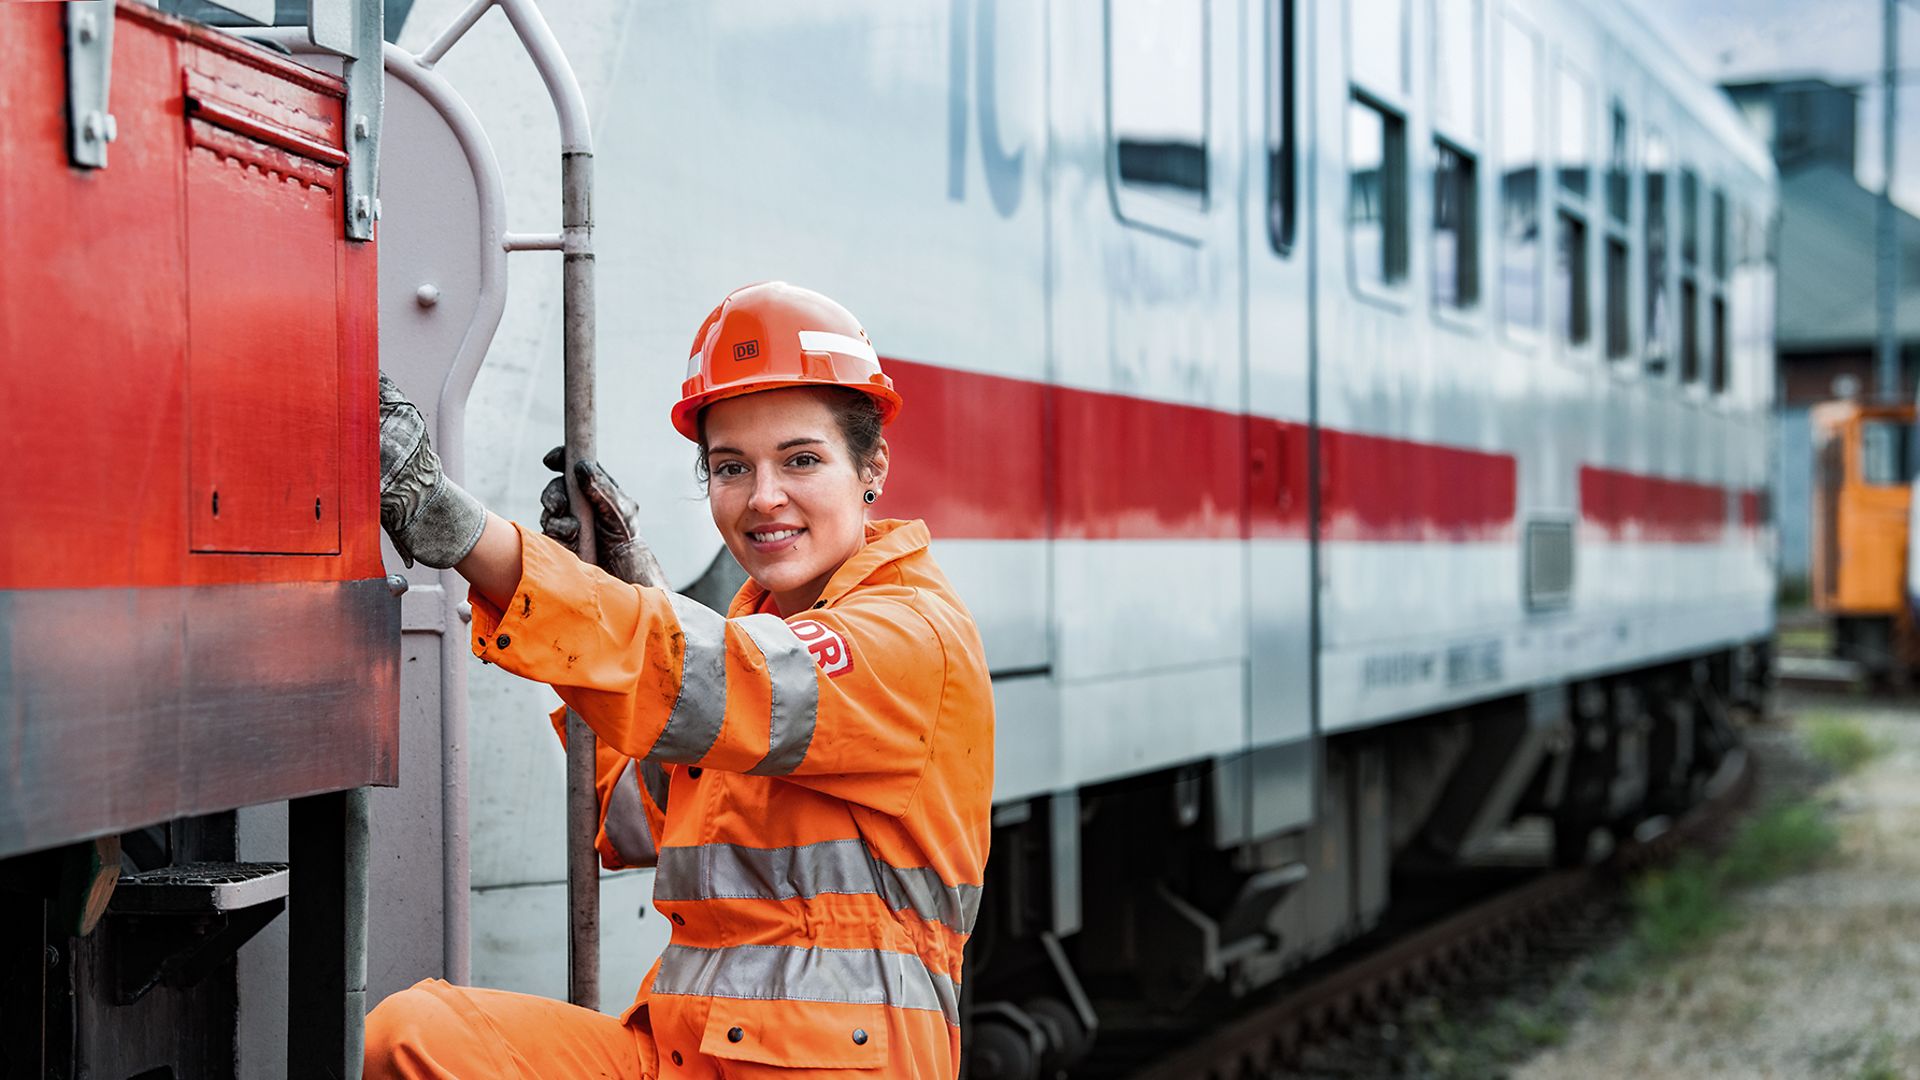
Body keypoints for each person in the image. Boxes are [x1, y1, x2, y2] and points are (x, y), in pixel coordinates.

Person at [364, 282, 994, 1078]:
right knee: (414, 1039)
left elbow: (729, 681)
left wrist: (463, 535)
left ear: (872, 468)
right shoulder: (758, 650)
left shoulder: (911, 637)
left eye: (801, 459)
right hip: (683, 1056)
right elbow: (639, 818)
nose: (765, 498)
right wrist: (626, 604)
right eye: (732, 467)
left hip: (841, 1067)